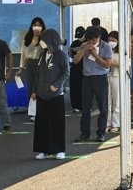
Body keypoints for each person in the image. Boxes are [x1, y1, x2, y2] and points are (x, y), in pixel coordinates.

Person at [33, 29, 69, 160]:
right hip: (41, 94)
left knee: (56, 123)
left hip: (55, 95)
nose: (42, 42)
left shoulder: (61, 55)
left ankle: (59, 150)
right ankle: (43, 150)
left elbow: (66, 73)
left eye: (44, 40)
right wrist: (34, 90)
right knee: (41, 123)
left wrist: (56, 85)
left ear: (51, 40)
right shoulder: (42, 55)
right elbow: (38, 74)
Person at [72, 26, 113, 141]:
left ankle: (101, 133)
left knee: (103, 107)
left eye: (93, 40)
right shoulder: (84, 45)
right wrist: (83, 51)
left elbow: (107, 65)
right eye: (88, 40)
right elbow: (75, 61)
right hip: (87, 79)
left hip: (101, 78)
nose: (90, 42)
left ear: (98, 37)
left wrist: (95, 55)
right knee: (85, 108)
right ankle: (85, 133)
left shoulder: (106, 47)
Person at [18, 17, 46, 122]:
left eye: (39, 24)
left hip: (42, 64)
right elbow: (23, 54)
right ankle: (34, 113)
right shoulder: (27, 38)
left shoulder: (44, 38)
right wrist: (21, 68)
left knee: (40, 86)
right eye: (35, 24)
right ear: (31, 26)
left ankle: (42, 111)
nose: (37, 27)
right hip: (30, 64)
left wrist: (41, 36)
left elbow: (47, 50)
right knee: (31, 87)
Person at [106, 31, 121, 133]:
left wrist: (113, 63)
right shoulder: (105, 50)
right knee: (106, 102)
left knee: (116, 101)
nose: (111, 42)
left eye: (113, 40)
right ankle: (107, 123)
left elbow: (124, 64)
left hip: (117, 77)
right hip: (106, 76)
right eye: (109, 40)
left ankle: (115, 124)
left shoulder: (122, 51)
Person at [68, 26, 86, 113]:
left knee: (84, 87)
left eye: (81, 36)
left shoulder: (88, 42)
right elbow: (70, 53)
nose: (79, 38)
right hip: (75, 67)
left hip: (85, 67)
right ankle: (75, 106)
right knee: (75, 87)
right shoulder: (74, 43)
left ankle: (84, 105)